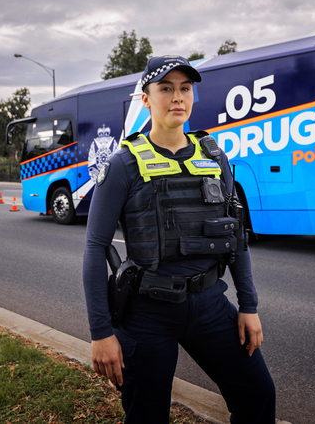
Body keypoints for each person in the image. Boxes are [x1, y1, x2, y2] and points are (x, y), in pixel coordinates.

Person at [83, 56, 276, 423]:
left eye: (185, 88)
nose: (177, 97)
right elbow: (95, 248)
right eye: (166, 88)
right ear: (146, 99)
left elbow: (235, 237)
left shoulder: (214, 156)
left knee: (258, 395)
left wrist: (248, 307)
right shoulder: (124, 164)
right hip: (147, 313)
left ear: (194, 96)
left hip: (208, 304)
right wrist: (101, 333)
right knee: (148, 415)